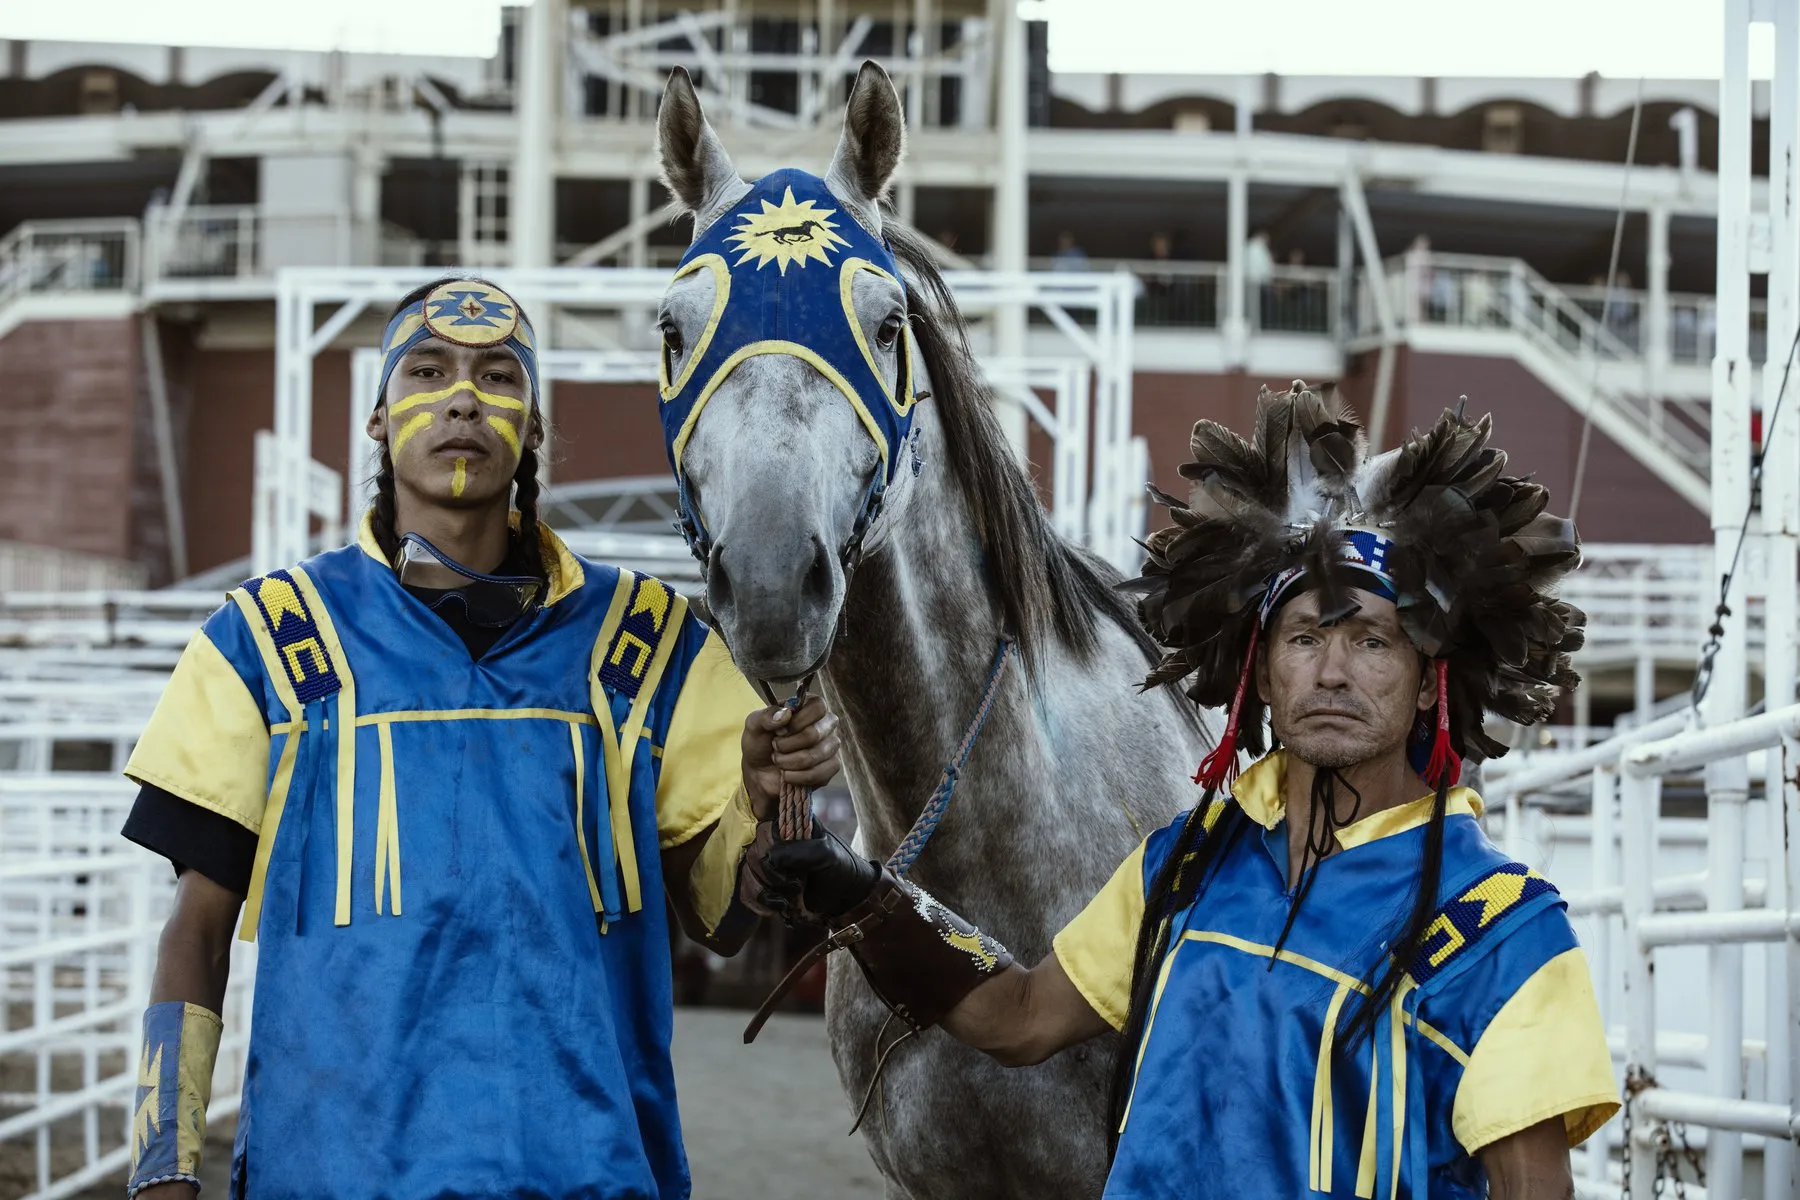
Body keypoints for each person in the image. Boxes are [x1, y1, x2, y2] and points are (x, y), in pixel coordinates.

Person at [750, 383, 1618, 1199]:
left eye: (1374, 643)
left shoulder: (1506, 935)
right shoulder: (1186, 865)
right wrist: (859, 894)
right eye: (1304, 637)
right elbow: (1017, 1017)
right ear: (1261, 675)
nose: (1333, 673)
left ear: (1430, 680)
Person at [120, 276, 841, 1199]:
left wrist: (765, 792)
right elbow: (196, 927)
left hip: (589, 1173)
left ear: (534, 426)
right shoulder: (266, 641)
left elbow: (728, 919)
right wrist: (161, 1166)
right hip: (332, 1173)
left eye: (500, 375)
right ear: (379, 417)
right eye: (427, 370)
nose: (463, 396)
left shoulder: (649, 644)